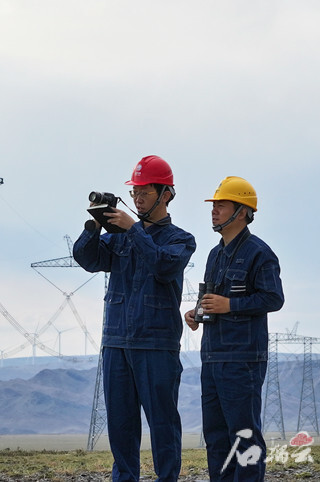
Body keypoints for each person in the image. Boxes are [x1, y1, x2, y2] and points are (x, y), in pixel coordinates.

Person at [73, 155, 196, 482]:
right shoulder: (120, 237)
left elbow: (164, 265)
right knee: (121, 425)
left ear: (166, 193)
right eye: (135, 191)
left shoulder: (181, 240)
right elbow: (87, 259)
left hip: (157, 346)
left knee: (163, 424)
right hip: (116, 343)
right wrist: (95, 226)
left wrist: (133, 229)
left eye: (145, 191)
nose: (138, 197)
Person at [184, 176, 284, 481]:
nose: (214, 211)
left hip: (242, 361)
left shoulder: (259, 253)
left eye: (221, 205)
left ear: (242, 211)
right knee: (216, 439)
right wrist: (197, 312)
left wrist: (230, 306)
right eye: (213, 206)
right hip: (212, 359)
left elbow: (273, 298)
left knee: (243, 437)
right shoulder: (215, 254)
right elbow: (214, 299)